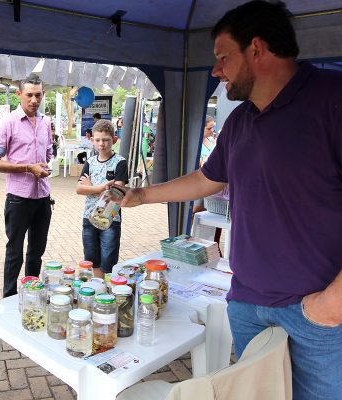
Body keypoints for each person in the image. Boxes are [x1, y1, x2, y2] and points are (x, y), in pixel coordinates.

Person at [119, 2, 342, 398]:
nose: (215, 71)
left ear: (256, 49)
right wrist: (142, 195)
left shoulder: (332, 100)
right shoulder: (240, 121)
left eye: (223, 58)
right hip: (247, 303)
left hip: (317, 316)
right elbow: (207, 178)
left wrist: (332, 304)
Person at [0, 73, 54, 298]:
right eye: (29, 95)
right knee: (15, 252)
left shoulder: (45, 122)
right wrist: (28, 168)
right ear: (19, 94)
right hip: (18, 198)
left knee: (36, 252)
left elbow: (48, 153)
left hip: (43, 196)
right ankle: (8, 297)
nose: (34, 100)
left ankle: (31, 296)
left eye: (38, 95)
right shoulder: (6, 123)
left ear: (43, 94)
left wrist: (44, 166)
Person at [76, 120, 128, 278]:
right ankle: (98, 287)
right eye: (97, 140)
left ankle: (108, 288)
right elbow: (79, 189)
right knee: (92, 259)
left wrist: (91, 187)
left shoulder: (120, 162)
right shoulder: (90, 162)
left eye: (106, 140)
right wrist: (101, 188)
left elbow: (116, 195)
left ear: (114, 140)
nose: (101, 144)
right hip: (89, 217)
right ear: (92, 140)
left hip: (110, 218)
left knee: (108, 260)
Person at [192, 116, 218, 214]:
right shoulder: (195, 143)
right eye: (209, 128)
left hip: (210, 181)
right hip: (198, 182)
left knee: (208, 211)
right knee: (196, 209)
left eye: (213, 128)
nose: (212, 131)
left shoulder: (212, 140)